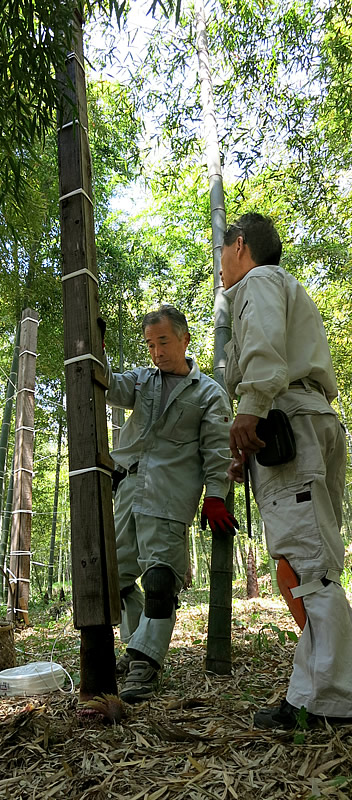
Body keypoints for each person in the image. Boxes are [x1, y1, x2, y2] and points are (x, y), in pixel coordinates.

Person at [221, 212, 352, 729]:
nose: (221, 265)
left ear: (240, 244)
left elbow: (264, 350)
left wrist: (250, 407)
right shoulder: (280, 285)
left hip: (289, 419)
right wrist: (245, 434)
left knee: (307, 565)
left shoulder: (260, 281)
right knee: (311, 558)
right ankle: (323, 685)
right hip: (304, 420)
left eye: (223, 251)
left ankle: (331, 699)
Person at [104, 305, 236, 703]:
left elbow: (217, 448)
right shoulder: (142, 381)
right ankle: (134, 646)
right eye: (150, 344)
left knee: (160, 580)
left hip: (168, 497)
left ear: (184, 339)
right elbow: (106, 384)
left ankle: (146, 661)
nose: (157, 351)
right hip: (127, 492)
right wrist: (99, 346)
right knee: (119, 580)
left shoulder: (209, 392)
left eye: (163, 341)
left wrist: (216, 494)